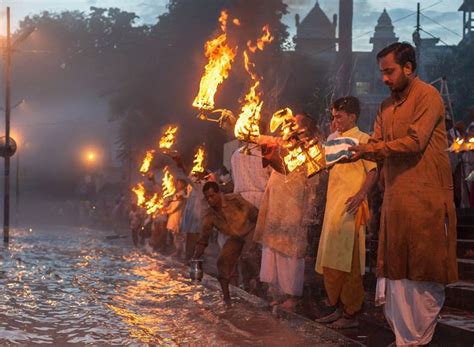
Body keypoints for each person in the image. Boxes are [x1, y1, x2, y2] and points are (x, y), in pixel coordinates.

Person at [350, 42, 458, 346]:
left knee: (423, 272)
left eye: (389, 71)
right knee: (398, 274)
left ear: (408, 68)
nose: (384, 78)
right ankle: (404, 338)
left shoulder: (429, 96)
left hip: (426, 200)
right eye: (382, 72)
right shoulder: (385, 107)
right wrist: (349, 153)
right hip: (396, 202)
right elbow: (376, 146)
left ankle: (416, 340)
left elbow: (414, 142)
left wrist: (370, 149)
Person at [315, 96, 378, 329]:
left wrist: (362, 194)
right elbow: (322, 165)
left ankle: (351, 313)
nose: (336, 120)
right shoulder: (333, 140)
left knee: (349, 262)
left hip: (351, 208)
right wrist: (332, 137)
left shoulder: (364, 139)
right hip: (333, 208)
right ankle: (337, 307)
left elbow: (373, 171)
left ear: (353, 117)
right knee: (331, 261)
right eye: (333, 117)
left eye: (339, 116)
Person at [254, 113, 317, 311]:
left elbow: (314, 183)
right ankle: (276, 293)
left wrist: (309, 211)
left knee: (290, 252)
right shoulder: (283, 143)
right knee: (271, 249)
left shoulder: (311, 149)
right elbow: (261, 140)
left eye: (294, 124)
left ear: (304, 129)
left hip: (293, 206)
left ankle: (291, 296)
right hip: (275, 205)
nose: (288, 126)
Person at [193, 182, 259, 306]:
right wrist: (195, 258)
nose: (210, 200)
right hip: (235, 237)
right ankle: (227, 300)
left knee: (248, 256)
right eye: (207, 197)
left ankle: (258, 287)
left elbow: (254, 213)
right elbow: (203, 238)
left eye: (212, 196)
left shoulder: (234, 199)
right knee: (222, 262)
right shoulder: (209, 215)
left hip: (250, 231)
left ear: (218, 193)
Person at [231, 140, 272, 293]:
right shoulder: (265, 153)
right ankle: (257, 283)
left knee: (243, 245)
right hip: (260, 202)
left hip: (240, 201)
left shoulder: (236, 154)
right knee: (255, 247)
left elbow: (235, 178)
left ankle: (246, 282)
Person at [164, 178, 188, 258]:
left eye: (179, 183)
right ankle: (178, 251)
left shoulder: (182, 194)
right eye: (177, 183)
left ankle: (181, 252)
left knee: (179, 236)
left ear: (183, 185)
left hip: (178, 216)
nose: (177, 185)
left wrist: (167, 211)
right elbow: (171, 205)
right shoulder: (176, 194)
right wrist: (165, 208)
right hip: (173, 217)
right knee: (175, 235)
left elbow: (176, 207)